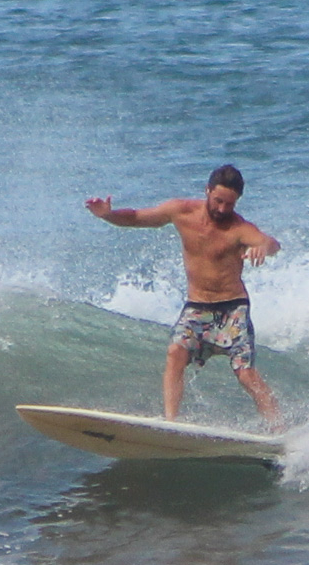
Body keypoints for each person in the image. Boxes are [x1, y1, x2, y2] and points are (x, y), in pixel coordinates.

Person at [85, 164, 282, 427]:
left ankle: (279, 428)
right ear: (207, 191)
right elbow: (136, 217)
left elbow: (270, 243)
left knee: (245, 374)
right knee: (175, 352)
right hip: (197, 307)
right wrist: (108, 215)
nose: (223, 209)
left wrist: (263, 248)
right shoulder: (181, 211)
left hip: (233, 308)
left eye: (230, 204)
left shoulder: (239, 228)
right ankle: (171, 424)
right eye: (218, 201)